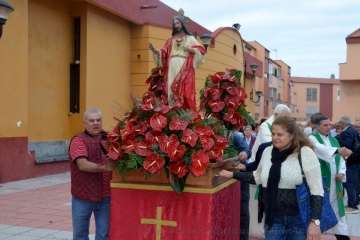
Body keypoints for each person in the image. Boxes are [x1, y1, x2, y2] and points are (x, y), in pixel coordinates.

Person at [222, 116, 324, 239]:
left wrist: (315, 222)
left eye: (280, 134)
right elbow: (258, 177)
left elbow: (317, 190)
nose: (275, 137)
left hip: (298, 220)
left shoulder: (305, 153)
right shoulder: (267, 152)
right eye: (273, 134)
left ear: (292, 135)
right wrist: (233, 174)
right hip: (273, 218)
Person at [69, 108, 115, 240]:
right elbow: (82, 164)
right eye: (91, 120)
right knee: (80, 235)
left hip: (105, 196)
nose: (95, 123)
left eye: (98, 120)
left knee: (103, 235)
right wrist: (106, 167)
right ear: (84, 123)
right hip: (83, 197)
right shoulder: (78, 140)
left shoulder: (110, 138)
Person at [149, 11, 206, 110]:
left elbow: (201, 50)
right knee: (171, 87)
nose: (176, 25)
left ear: (182, 24)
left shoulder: (190, 38)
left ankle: (185, 111)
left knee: (185, 90)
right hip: (172, 65)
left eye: (178, 23)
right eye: (174, 24)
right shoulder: (170, 40)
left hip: (185, 65)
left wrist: (190, 49)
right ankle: (173, 110)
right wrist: (155, 51)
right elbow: (164, 52)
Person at [309, 114, 350, 239]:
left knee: (339, 213)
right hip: (322, 183)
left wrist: (342, 172)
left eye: (329, 125)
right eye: (325, 125)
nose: (328, 127)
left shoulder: (334, 140)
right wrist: (337, 151)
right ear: (316, 126)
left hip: (336, 183)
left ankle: (343, 236)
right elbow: (321, 150)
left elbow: (342, 159)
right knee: (319, 214)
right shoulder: (312, 139)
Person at [336, 116, 360, 213]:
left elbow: (347, 144)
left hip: (351, 160)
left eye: (340, 122)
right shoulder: (350, 131)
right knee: (351, 183)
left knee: (350, 183)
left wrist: (337, 137)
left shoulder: (348, 131)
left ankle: (352, 205)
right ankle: (353, 202)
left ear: (343, 123)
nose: (338, 124)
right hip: (353, 161)